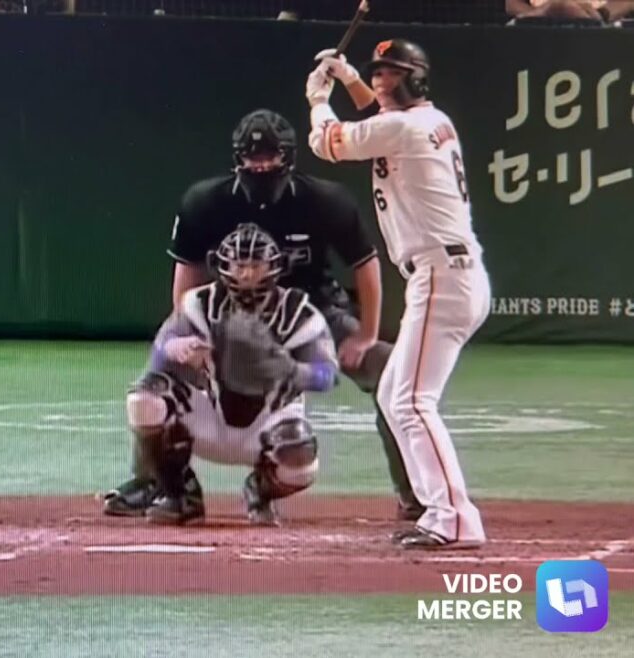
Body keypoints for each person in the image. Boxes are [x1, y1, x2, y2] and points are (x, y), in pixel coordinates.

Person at [103, 108, 424, 521]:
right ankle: (155, 480)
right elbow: (186, 277)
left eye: (270, 157)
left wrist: (366, 334)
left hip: (311, 311)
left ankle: (415, 491)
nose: (261, 166)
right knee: (158, 375)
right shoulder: (207, 202)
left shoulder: (325, 201)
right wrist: (189, 333)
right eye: (253, 159)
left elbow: (366, 263)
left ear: (288, 157)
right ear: (237, 158)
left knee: (392, 373)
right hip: (231, 313)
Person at [306, 40, 492, 550]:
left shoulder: (404, 128)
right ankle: (439, 510)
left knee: (410, 400)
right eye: (378, 73)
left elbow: (329, 142)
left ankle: (455, 518)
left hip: (442, 276)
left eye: (391, 73)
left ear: (416, 77)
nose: (382, 81)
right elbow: (378, 117)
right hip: (449, 273)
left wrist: (318, 98)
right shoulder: (430, 120)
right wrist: (349, 80)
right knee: (395, 395)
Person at [119, 223, 339, 526]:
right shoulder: (198, 304)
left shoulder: (299, 313)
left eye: (256, 266)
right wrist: (177, 348)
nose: (246, 275)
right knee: (144, 399)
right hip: (210, 415)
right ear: (222, 266)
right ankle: (179, 494)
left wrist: (292, 370)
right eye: (239, 265)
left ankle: (260, 490)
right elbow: (159, 353)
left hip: (269, 422)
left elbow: (328, 375)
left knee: (300, 461)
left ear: (274, 267)